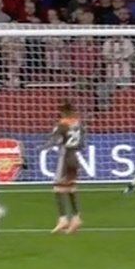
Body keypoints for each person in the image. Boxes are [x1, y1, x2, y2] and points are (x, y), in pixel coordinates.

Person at [49, 100, 85, 234]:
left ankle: (63, 218)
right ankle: (76, 218)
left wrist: (44, 145)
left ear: (63, 112)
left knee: (57, 188)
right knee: (70, 187)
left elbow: (56, 140)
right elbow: (82, 144)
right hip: (74, 158)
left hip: (64, 158)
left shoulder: (62, 125)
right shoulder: (78, 124)